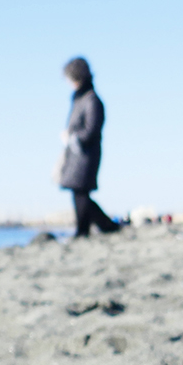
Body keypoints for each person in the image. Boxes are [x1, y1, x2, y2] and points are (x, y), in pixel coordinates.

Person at [58, 57, 120, 238]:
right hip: (76, 155)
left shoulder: (92, 100)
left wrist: (71, 137)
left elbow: (91, 130)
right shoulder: (79, 99)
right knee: (78, 193)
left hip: (86, 155)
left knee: (81, 193)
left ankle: (85, 230)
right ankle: (104, 226)